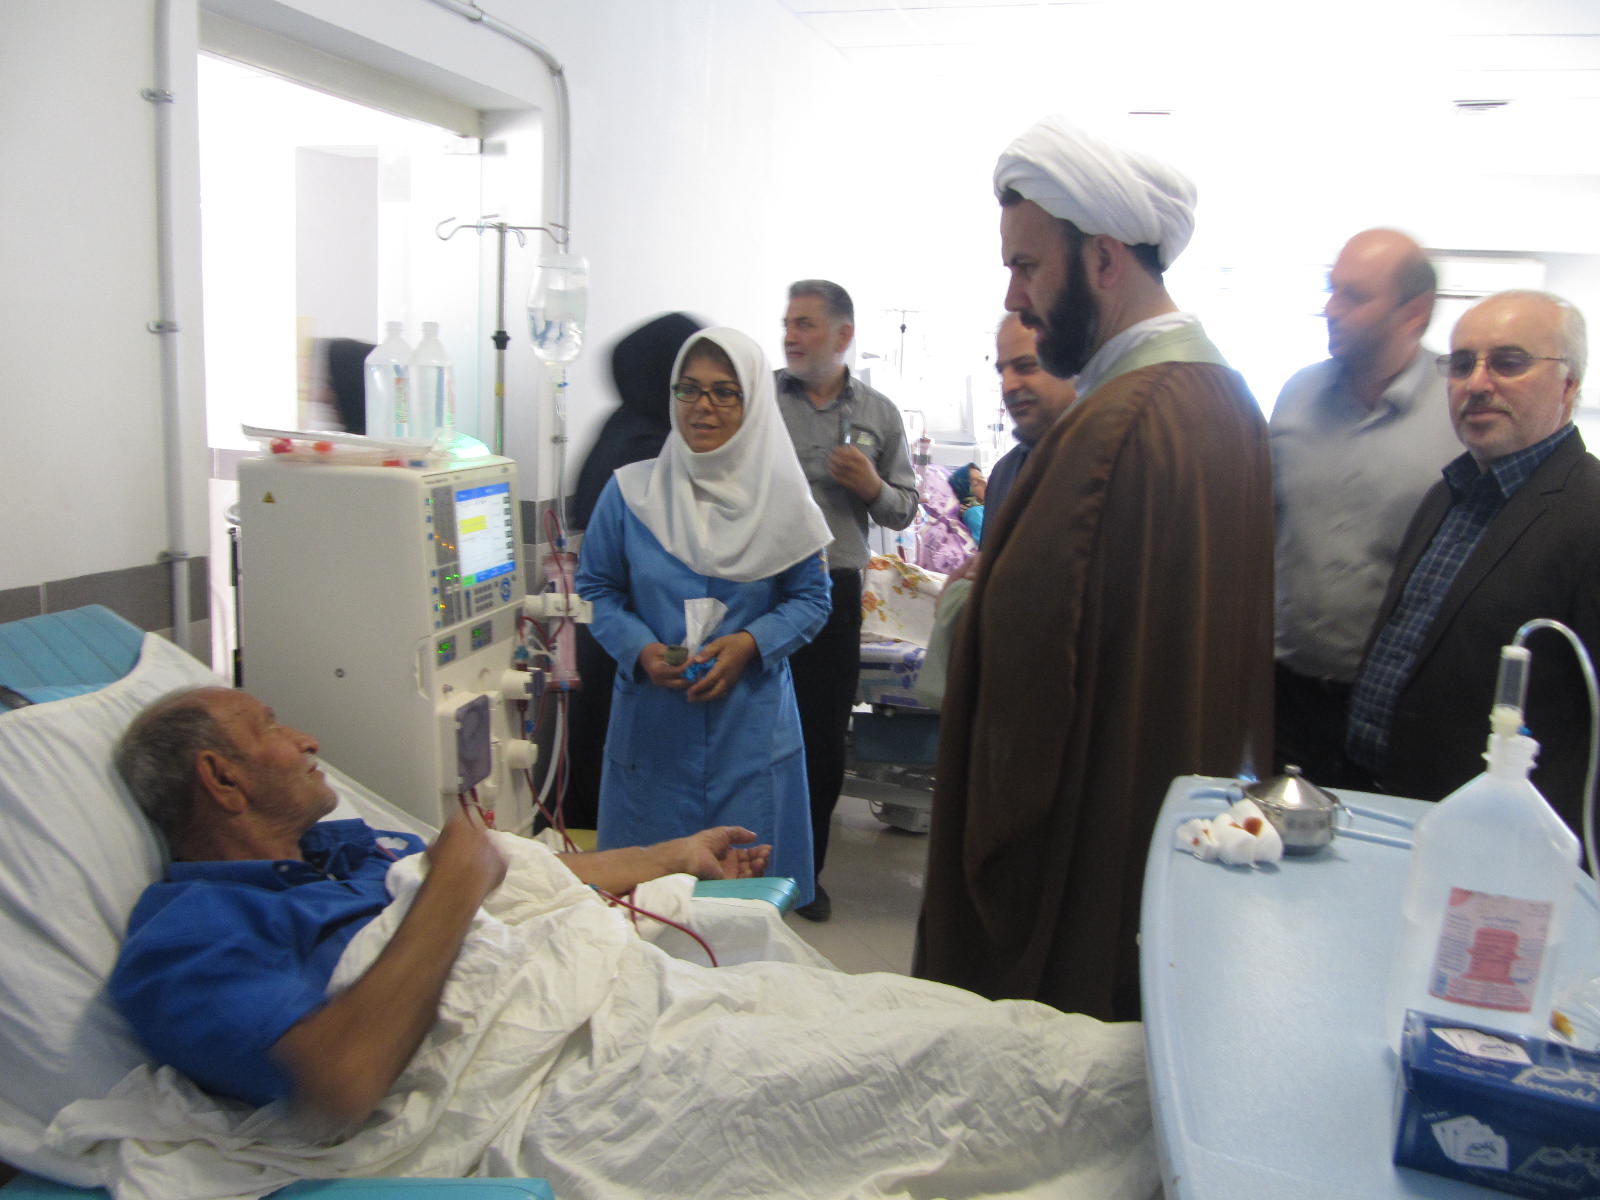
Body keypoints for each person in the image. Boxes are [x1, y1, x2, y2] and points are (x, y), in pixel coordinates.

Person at [104, 686, 1159, 1199]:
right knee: (923, 1076)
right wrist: (453, 886)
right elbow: (341, 1077)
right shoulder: (188, 937)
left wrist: (672, 855)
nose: (307, 738)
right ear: (221, 779)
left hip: (626, 1004)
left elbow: (519, 887)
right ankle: (1173, 1128)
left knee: (922, 1021)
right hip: (556, 1092)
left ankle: (1163, 1116)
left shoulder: (343, 845)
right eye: (273, 728)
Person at [915, 115, 1274, 1022]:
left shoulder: (1113, 427)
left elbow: (1026, 667)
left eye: (1028, 265)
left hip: (1082, 867)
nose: (1017, 296)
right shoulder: (1226, 400)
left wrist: (968, 603)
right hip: (1164, 835)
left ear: (1105, 259)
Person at [577, 327, 831, 906]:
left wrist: (751, 644)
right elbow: (597, 589)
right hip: (654, 729)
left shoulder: (786, 502)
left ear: (753, 402)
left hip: (749, 728)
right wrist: (641, 648)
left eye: (725, 392)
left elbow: (812, 599)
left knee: (743, 907)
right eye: (688, 389)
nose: (703, 405)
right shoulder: (631, 494)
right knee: (644, 907)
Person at [1345, 289, 1600, 837]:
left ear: (1569, 383)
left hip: (1497, 844)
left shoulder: (1590, 513)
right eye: (1462, 365)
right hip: (1388, 808)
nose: (1477, 384)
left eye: (1508, 363)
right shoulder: (1449, 494)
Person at [1270, 230, 1461, 785]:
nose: (1331, 309)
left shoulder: (1457, 410)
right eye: (1331, 290)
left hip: (1401, 705)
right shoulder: (1297, 395)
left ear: (1414, 313)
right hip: (1284, 687)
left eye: (1354, 296)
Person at [776, 279, 919, 921]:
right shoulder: (761, 401)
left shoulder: (879, 415)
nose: (791, 336)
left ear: (843, 335)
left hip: (833, 588)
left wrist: (871, 487)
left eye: (805, 324)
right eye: (788, 323)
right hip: (762, 585)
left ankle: (805, 874)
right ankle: (742, 863)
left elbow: (905, 509)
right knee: (750, 728)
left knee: (822, 735)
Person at [565, 312, 705, 830]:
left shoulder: (622, 428)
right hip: (634, 641)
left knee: (597, 760)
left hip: (612, 637)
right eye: (690, 384)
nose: (703, 403)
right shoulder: (646, 451)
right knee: (619, 777)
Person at [985, 311, 1078, 530]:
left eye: (1025, 366)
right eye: (1002, 372)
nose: (1008, 386)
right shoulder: (1004, 475)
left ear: (1073, 367)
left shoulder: (1109, 464)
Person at [948, 462, 985, 541]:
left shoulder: (986, 506)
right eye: (976, 482)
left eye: (982, 478)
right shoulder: (973, 512)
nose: (984, 483)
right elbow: (986, 542)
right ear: (964, 489)